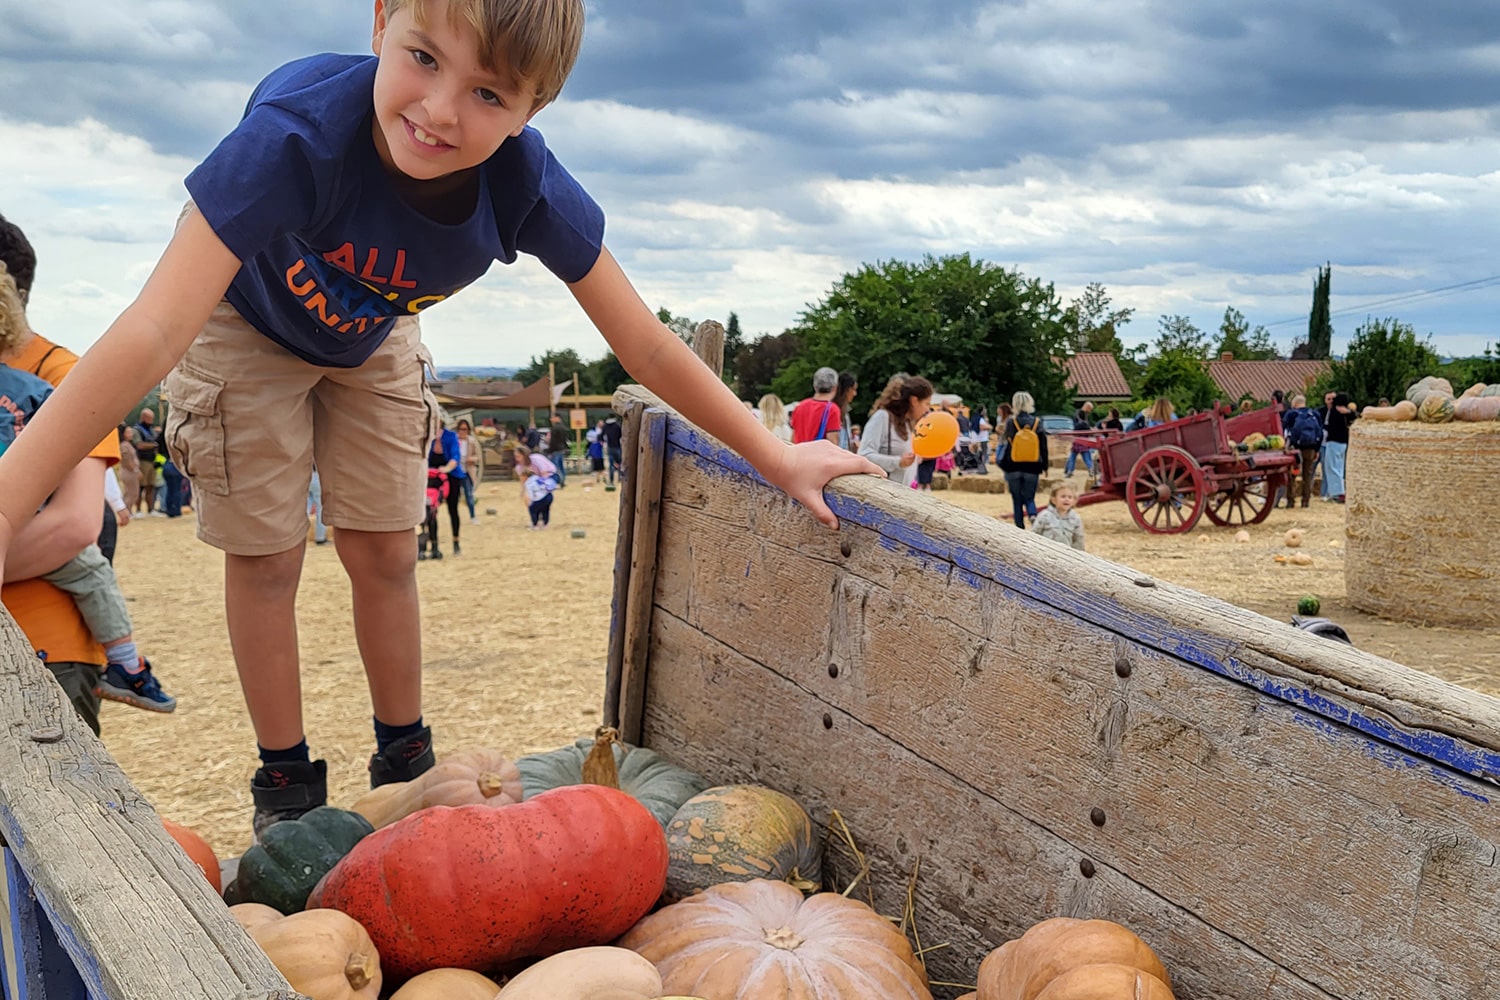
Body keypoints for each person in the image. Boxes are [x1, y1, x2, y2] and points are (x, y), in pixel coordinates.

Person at [0, 2, 881, 837]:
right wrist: (9, 500)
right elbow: (154, 328)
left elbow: (645, 346)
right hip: (241, 316)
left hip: (376, 328)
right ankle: (287, 781)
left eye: (488, 93)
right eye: (423, 58)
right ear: (383, 19)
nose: (439, 109)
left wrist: (778, 457)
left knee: (384, 545)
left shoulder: (525, 183)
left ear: (535, 108)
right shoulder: (296, 136)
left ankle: (404, 761)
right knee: (266, 553)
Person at [0, 259, 177, 714]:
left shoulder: (62, 371)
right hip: (45, 628)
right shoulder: (39, 386)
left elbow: (74, 524)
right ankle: (127, 664)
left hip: (45, 648)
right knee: (90, 571)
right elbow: (74, 529)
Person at [857, 375, 932, 487]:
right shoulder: (882, 417)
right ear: (914, 401)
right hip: (882, 494)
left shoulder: (908, 423)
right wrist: (898, 462)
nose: (927, 409)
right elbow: (864, 455)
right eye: (926, 403)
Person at [998, 391, 1049, 528]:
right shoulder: (1037, 422)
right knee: (1029, 497)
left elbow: (1007, 443)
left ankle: (1019, 528)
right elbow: (1043, 446)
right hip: (1032, 466)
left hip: (1013, 465)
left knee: (1017, 500)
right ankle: (1032, 515)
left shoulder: (1011, 422)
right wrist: (1045, 465)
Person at [1281, 394, 1323, 509]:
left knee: (1291, 474)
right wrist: (1317, 449)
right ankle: (1306, 502)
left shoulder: (1291, 414)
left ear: (1294, 404)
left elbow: (1284, 430)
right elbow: (1320, 432)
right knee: (1307, 474)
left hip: (1294, 448)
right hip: (1310, 447)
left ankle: (1291, 500)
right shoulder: (1314, 414)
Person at [790, 367, 842, 444]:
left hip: (799, 453)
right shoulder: (832, 409)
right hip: (818, 454)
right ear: (835, 387)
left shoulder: (800, 406)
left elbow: (793, 438)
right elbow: (832, 441)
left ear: (815, 386)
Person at [1322, 392, 1356, 503]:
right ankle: (1340, 492)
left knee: (1332, 468)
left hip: (1333, 442)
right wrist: (1350, 411)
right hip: (1344, 443)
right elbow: (1357, 416)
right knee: (1340, 468)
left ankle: (1336, 493)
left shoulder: (1334, 411)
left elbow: (1328, 425)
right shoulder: (1347, 412)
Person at [1031, 484, 1085, 551]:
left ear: (1074, 501)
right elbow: (1034, 534)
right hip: (1046, 552)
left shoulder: (1075, 518)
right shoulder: (1044, 515)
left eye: (1070, 497)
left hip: (1066, 555)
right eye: (1063, 496)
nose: (1066, 499)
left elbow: (1078, 539)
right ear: (1054, 500)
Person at [133, 407, 164, 516]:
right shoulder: (136, 430)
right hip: (142, 461)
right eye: (149, 418)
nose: (151, 421)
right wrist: (153, 445)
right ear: (143, 418)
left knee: (151, 486)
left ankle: (151, 509)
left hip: (152, 461)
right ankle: (137, 510)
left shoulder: (151, 430)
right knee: (141, 486)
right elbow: (139, 445)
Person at [454, 418, 481, 520]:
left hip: (466, 471)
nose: (463, 431)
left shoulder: (472, 441)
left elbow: (477, 456)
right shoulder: (454, 440)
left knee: (469, 494)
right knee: (454, 496)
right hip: (455, 471)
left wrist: (472, 459)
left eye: (465, 429)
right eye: (461, 429)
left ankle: (473, 516)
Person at [521, 459, 558, 528]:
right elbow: (550, 483)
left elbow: (530, 494)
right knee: (545, 509)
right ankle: (545, 524)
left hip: (540, 497)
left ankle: (535, 524)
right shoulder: (538, 478)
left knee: (533, 509)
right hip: (549, 496)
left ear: (525, 477)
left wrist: (530, 502)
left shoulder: (528, 483)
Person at [1064, 403, 1095, 478]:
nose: (1090, 411)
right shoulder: (1084, 420)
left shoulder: (1078, 419)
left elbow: (1076, 429)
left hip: (1077, 440)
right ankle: (1091, 470)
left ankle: (1069, 471)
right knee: (1086, 457)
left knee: (1073, 457)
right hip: (1083, 440)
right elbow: (1087, 430)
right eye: (1089, 409)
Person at [835, 372, 858, 450]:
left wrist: (852, 444)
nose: (855, 394)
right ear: (847, 390)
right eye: (853, 389)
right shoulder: (833, 412)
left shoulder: (845, 413)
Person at [308, 466, 329, 545]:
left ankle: (299, 537)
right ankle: (320, 537)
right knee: (320, 509)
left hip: (305, 476)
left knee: (304, 509)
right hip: (317, 475)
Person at [601, 414, 624, 485]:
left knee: (611, 465)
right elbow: (622, 435)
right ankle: (620, 477)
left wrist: (603, 442)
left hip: (610, 447)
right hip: (617, 446)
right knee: (620, 463)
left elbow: (601, 436)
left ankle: (611, 480)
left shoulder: (605, 426)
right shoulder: (617, 426)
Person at [547, 415, 569, 486]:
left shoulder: (554, 428)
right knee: (561, 465)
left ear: (557, 418)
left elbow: (553, 441)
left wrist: (549, 450)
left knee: (555, 466)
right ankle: (563, 479)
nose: (551, 419)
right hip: (562, 449)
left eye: (552, 418)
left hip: (555, 449)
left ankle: (559, 480)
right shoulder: (563, 428)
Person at [586, 418, 605, 483]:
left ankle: (600, 477)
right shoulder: (593, 431)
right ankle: (600, 477)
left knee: (599, 466)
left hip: (599, 452)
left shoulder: (602, 430)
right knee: (598, 466)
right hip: (597, 452)